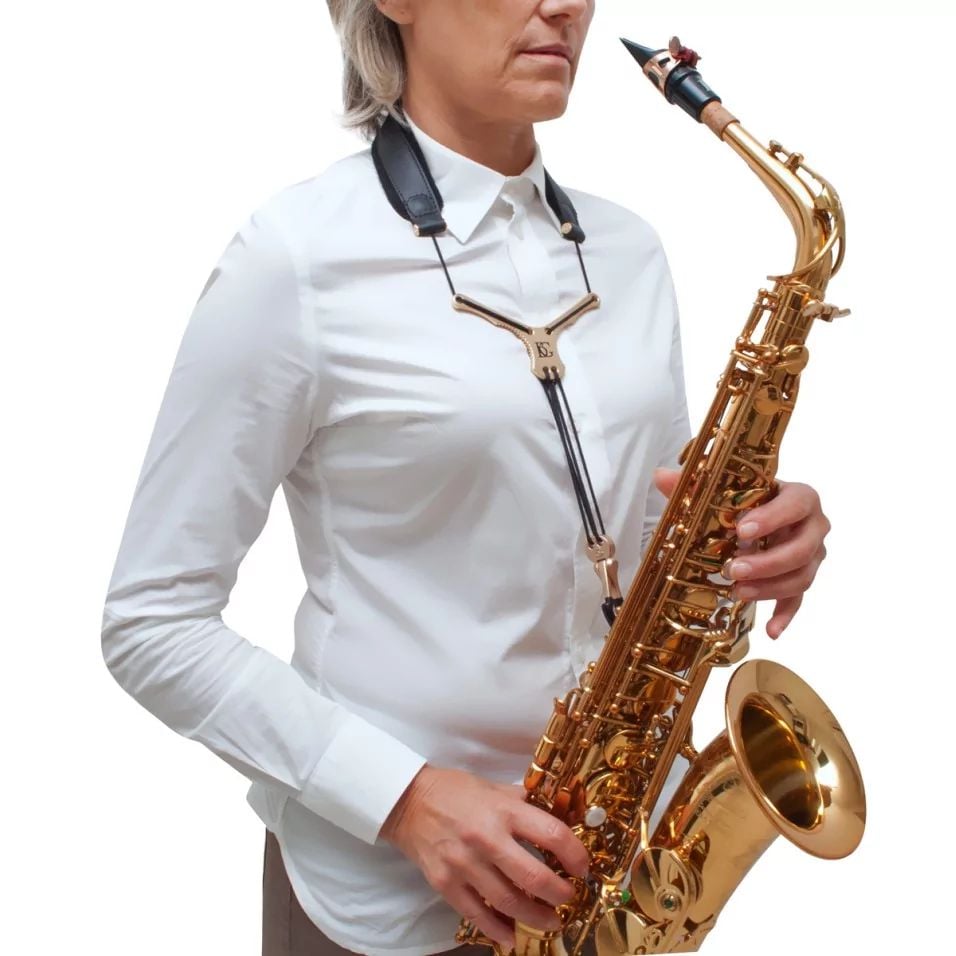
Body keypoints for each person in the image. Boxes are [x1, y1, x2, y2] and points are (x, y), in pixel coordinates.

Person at [100, 2, 833, 955]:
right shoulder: (296, 257)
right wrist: (403, 800)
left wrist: (751, 552)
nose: (565, 6)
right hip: (381, 907)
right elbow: (151, 620)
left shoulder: (631, 253)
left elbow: (655, 563)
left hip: (616, 880)